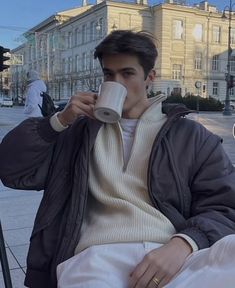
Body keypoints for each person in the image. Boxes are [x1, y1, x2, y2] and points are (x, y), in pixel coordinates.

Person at [0, 30, 235, 288]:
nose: (116, 82)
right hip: (96, 256)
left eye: (127, 73)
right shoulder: (78, 131)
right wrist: (58, 121)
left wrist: (184, 243)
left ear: (150, 78)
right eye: (108, 74)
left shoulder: (190, 136)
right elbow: (12, 171)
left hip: (172, 252)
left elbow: (225, 204)